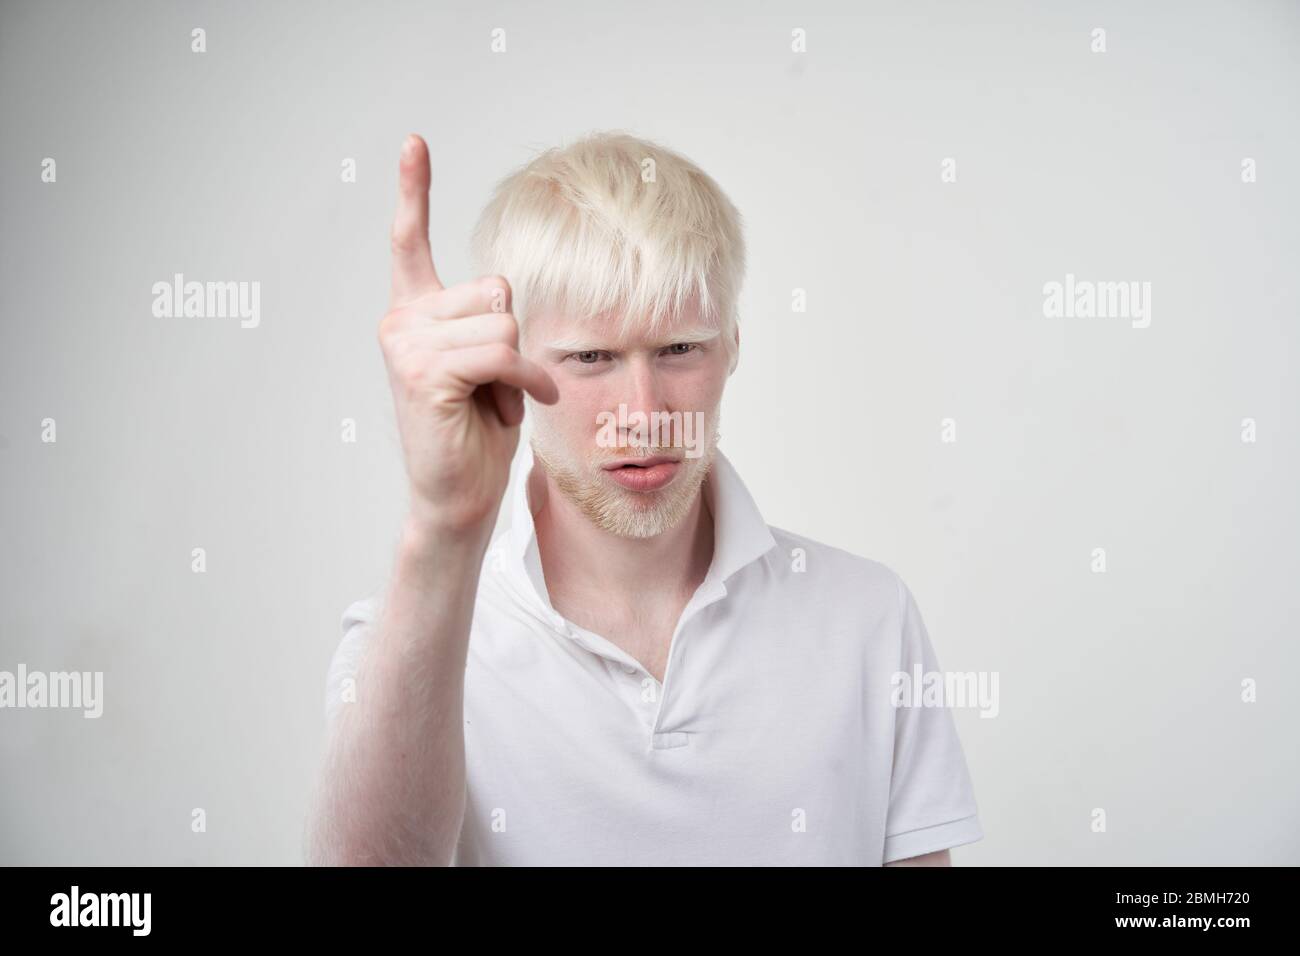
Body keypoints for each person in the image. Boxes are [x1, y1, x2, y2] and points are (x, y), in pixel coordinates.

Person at [304, 131, 983, 866]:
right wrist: (444, 527)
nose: (644, 412)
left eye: (679, 349)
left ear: (732, 348)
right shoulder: (408, 644)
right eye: (591, 357)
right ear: (509, 369)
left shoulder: (867, 617)